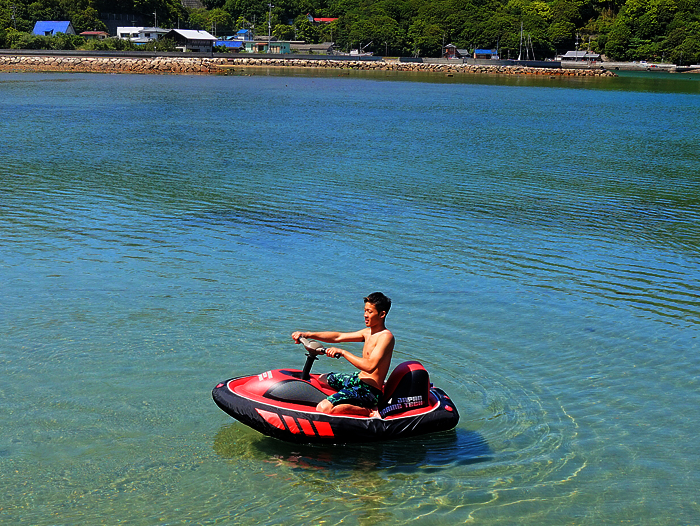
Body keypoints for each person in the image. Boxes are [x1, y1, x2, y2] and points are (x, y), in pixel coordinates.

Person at [291, 292, 395, 417]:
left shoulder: (386, 337)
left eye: (369, 312)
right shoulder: (368, 332)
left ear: (382, 314)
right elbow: (338, 337)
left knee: (324, 408)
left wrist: (343, 352)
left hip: (369, 390)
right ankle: (347, 398)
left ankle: (370, 411)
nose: (365, 315)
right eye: (365, 311)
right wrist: (306, 334)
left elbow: (369, 366)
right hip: (358, 379)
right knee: (323, 378)